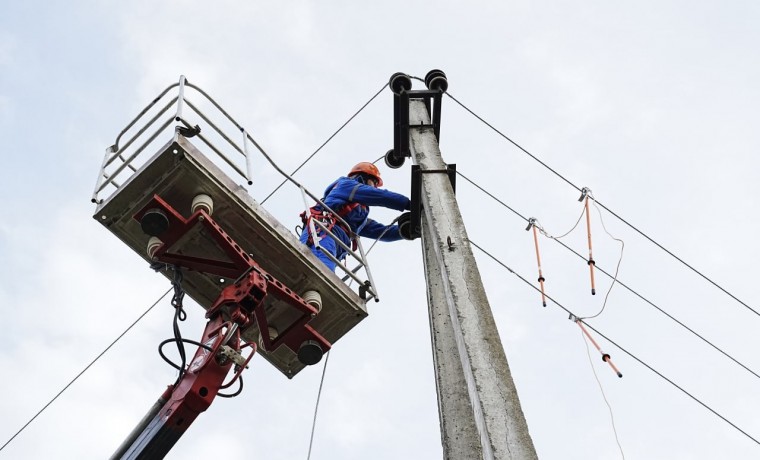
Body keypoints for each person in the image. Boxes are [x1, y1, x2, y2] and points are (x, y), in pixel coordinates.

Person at [299, 161, 412, 271]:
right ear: (363, 177)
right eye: (374, 183)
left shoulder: (355, 216)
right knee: (320, 269)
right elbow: (380, 196)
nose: (375, 187)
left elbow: (382, 232)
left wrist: (407, 229)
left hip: (333, 241)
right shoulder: (346, 185)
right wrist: (409, 204)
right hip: (322, 233)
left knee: (324, 270)